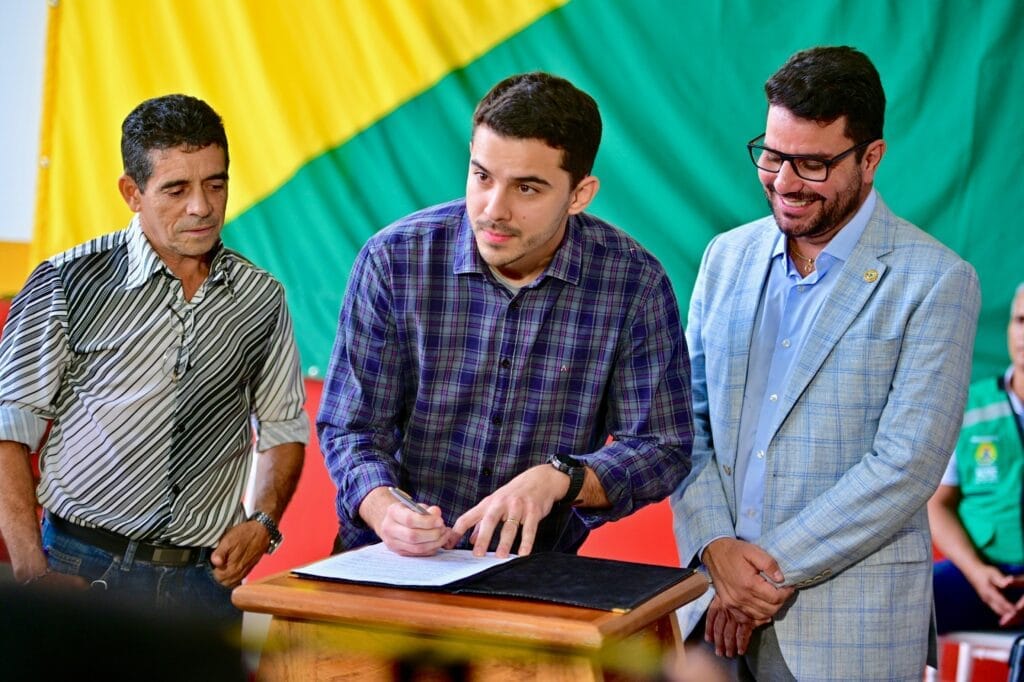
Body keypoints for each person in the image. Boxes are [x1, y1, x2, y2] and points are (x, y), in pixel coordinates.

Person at [670, 46, 980, 680]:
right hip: (708, 612)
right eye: (772, 155)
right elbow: (684, 421)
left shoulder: (937, 281)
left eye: (812, 164)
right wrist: (716, 550)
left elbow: (905, 466)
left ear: (871, 158)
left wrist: (759, 577)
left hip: (847, 633)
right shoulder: (725, 257)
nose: (784, 182)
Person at [317, 72, 693, 560]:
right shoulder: (394, 260)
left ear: (579, 195)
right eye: (482, 177)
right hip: (385, 560)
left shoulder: (634, 284)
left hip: (531, 573)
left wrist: (562, 478)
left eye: (527, 189)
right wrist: (383, 507)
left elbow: (662, 446)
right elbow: (352, 427)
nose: (494, 209)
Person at [0, 94, 307, 626]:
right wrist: (31, 573)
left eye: (216, 184)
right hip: (80, 570)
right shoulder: (66, 284)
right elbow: (9, 431)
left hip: (206, 587)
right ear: (131, 192)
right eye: (176, 189)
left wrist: (262, 523)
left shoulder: (261, 297)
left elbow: (284, 428)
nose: (202, 207)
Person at [928, 284, 1024, 634]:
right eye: (1021, 320)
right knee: (899, 608)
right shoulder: (968, 406)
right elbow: (938, 504)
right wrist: (976, 572)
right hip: (984, 573)